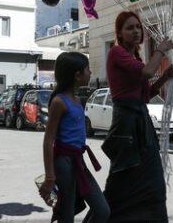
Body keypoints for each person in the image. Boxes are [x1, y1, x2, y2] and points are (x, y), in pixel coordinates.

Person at [102, 11, 173, 222]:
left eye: (137, 27)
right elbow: (146, 73)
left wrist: (164, 78)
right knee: (122, 179)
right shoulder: (116, 53)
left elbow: (146, 94)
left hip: (141, 124)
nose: (135, 31)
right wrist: (161, 49)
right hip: (126, 126)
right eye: (129, 28)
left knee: (153, 181)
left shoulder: (135, 58)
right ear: (120, 33)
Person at [39, 52, 110, 223]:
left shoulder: (78, 100)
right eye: (87, 69)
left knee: (102, 210)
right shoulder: (59, 102)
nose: (91, 73)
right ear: (77, 75)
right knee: (67, 214)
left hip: (79, 160)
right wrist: (50, 176)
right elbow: (48, 141)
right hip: (64, 163)